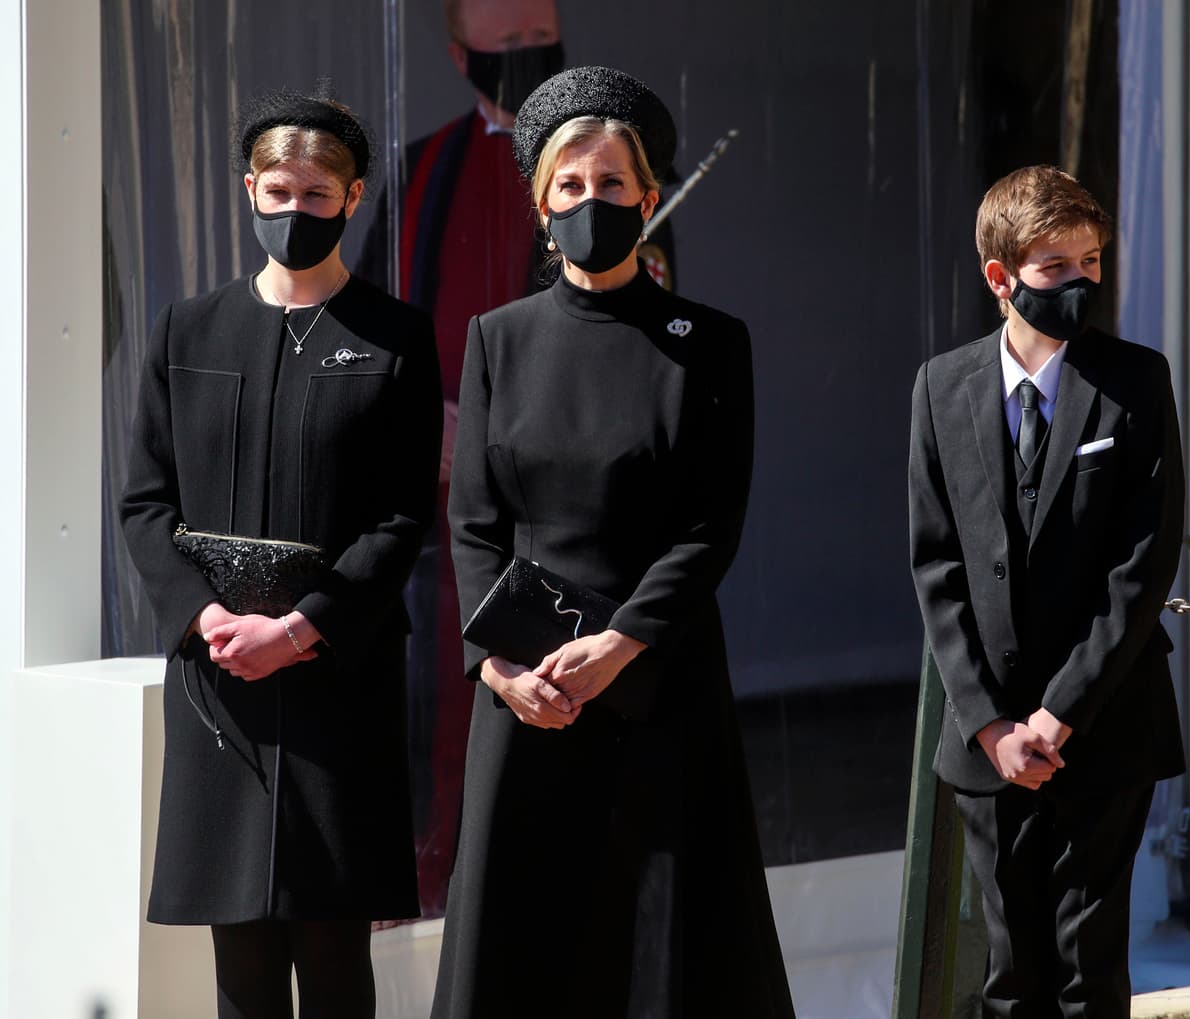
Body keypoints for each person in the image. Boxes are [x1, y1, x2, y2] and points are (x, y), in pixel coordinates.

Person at [430, 66, 795, 1018]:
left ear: (647, 195)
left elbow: (711, 523)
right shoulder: (496, 338)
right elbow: (472, 521)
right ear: (541, 204)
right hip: (525, 694)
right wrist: (501, 668)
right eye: (572, 186)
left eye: (612, 185)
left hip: (657, 683)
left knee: (662, 950)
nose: (593, 202)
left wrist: (621, 642)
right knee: (524, 943)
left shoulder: (709, 343)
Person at [119, 89, 442, 1019]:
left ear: (351, 199)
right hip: (221, 682)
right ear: (248, 192)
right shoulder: (188, 329)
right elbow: (145, 501)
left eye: (316, 194)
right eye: (277, 190)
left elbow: (399, 517)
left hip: (339, 677)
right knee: (242, 963)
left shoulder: (396, 338)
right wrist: (207, 617)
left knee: (336, 953)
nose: (293, 211)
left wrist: (305, 628)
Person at [356, 0, 678, 915]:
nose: (530, 56)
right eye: (507, 46)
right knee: (453, 702)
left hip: (586, 509)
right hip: (457, 498)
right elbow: (380, 332)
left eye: (542, 36)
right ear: (461, 56)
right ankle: (439, 882)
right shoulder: (424, 174)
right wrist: (433, 417)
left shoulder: (617, 183)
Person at [907, 164, 1185, 1018]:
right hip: (991, 740)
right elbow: (935, 564)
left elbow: (1142, 565)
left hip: (1101, 722)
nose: (1080, 281)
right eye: (1055, 265)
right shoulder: (941, 387)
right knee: (1010, 967)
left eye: (1091, 260)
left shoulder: (1136, 380)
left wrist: (1059, 713)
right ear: (1002, 278)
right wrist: (991, 724)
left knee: (1085, 965)